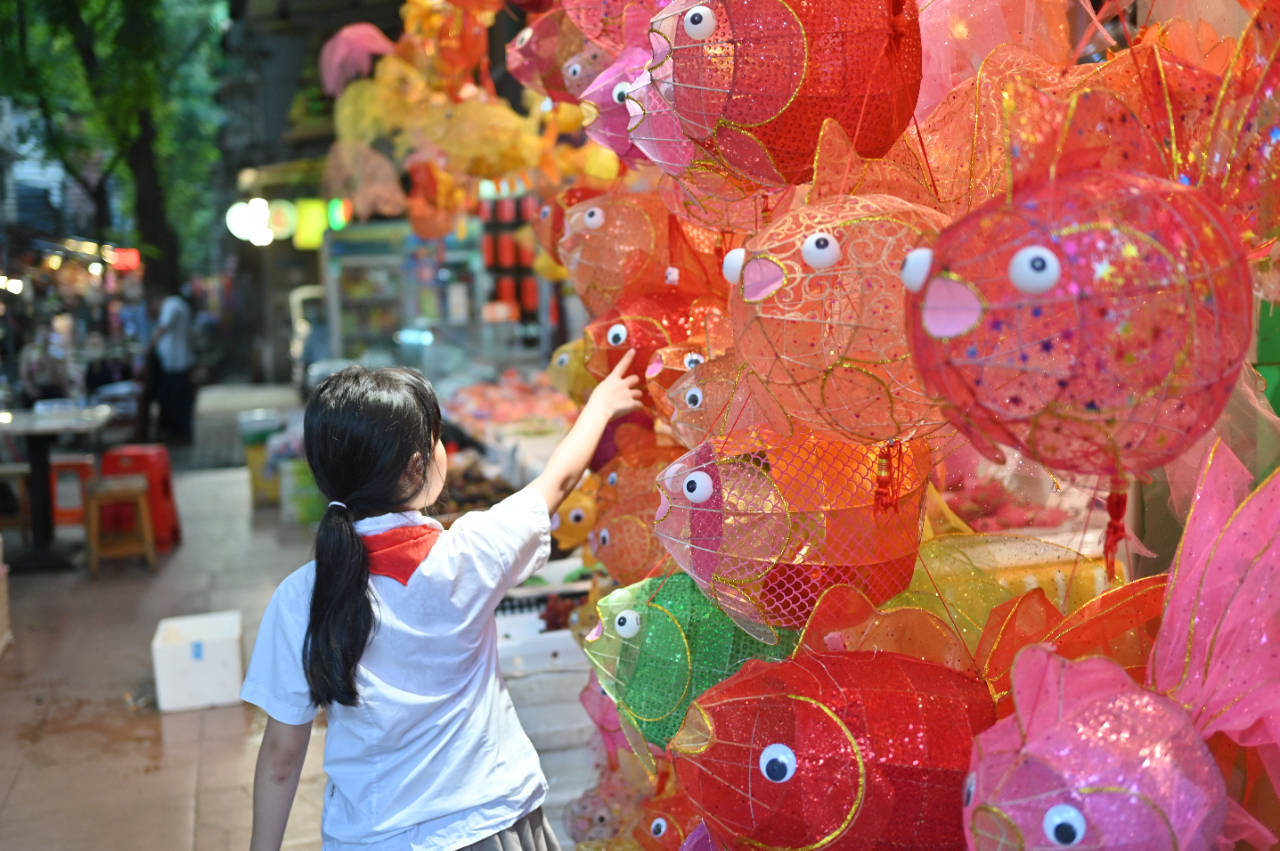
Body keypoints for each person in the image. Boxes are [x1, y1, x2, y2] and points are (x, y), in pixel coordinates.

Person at [242, 350, 642, 851]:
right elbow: (558, 482)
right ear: (418, 467)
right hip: (491, 822)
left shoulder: (300, 597)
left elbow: (281, 757)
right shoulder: (471, 553)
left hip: (374, 838)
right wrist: (601, 405)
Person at [150, 286, 195, 443]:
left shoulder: (172, 304)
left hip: (176, 364)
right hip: (176, 363)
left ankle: (179, 433)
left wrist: (150, 345)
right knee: (176, 400)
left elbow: (163, 327)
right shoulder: (178, 304)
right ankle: (178, 433)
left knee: (175, 401)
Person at [18, 326, 71, 407]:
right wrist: (31, 389)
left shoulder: (56, 351)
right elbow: (24, 374)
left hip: (53, 389)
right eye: (41, 335)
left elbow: (62, 375)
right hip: (36, 388)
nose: (44, 337)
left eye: (47, 334)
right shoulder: (29, 351)